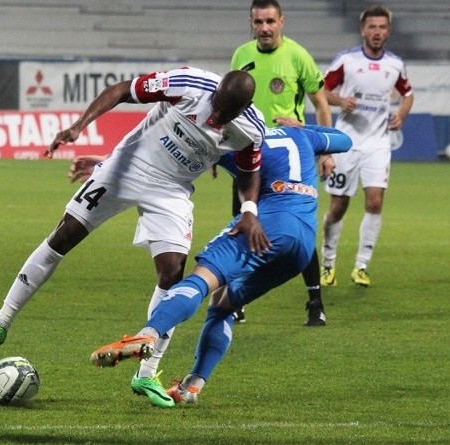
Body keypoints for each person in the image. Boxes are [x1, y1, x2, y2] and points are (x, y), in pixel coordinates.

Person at [0, 67, 268, 409]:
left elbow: (250, 171)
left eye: (224, 115)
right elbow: (123, 89)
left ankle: (147, 371)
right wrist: (78, 126)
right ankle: (1, 322)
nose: (215, 117)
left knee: (173, 274)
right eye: (214, 107)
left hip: (171, 191)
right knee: (63, 236)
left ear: (243, 109)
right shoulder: (189, 83)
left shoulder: (251, 129)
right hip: (127, 167)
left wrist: (249, 209)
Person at [88, 123, 353, 407]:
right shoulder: (305, 135)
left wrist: (108, 162)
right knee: (224, 304)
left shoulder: (244, 141)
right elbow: (345, 140)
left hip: (265, 225)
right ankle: (192, 386)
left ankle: (147, 335)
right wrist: (311, 136)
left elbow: (182, 154)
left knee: (201, 280)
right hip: (302, 242)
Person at [230, 0, 334, 326]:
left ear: (281, 22)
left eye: (270, 21)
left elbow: (322, 105)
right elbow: (229, 104)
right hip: (250, 152)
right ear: (250, 23)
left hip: (290, 155)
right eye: (258, 22)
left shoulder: (298, 56)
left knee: (299, 229)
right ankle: (237, 301)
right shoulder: (241, 55)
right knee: (241, 224)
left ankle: (315, 303)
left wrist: (324, 149)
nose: (264, 28)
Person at [318, 4, 414, 288]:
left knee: (375, 201)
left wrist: (401, 114)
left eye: (382, 27)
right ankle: (328, 263)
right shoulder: (346, 61)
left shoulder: (395, 65)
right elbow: (321, 90)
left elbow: (408, 95)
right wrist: (339, 101)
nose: (377, 32)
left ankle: (361, 266)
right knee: (338, 206)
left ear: (388, 31)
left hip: (378, 144)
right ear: (363, 30)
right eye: (372, 27)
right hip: (346, 142)